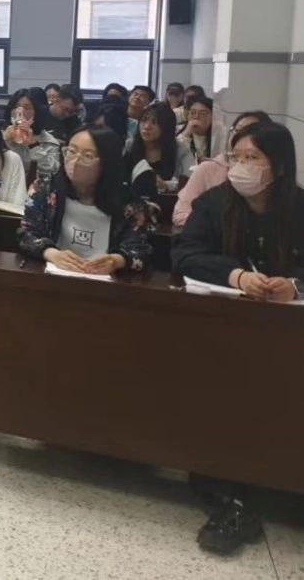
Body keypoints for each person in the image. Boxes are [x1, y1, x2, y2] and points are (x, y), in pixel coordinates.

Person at [172, 120, 303, 555]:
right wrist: (237, 276)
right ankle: (230, 499)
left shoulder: (299, 207)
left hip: (287, 339)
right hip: (224, 333)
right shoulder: (214, 204)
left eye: (253, 158)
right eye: (237, 157)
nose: (241, 166)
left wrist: (295, 286)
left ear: (278, 166)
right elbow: (184, 254)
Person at [18, 124, 152, 274]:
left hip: (105, 281)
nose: (75, 161)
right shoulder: (45, 190)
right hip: (53, 277)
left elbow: (140, 250)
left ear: (107, 162)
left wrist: (116, 261)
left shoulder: (130, 204)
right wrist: (52, 253)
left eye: (87, 156)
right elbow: (26, 235)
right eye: (71, 151)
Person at [174, 111, 269, 227]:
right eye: (238, 131)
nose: (242, 137)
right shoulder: (208, 169)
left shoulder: (269, 174)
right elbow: (180, 214)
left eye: (251, 132)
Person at [125, 102, 193, 196]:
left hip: (168, 200)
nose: (147, 127)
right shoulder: (129, 145)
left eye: (154, 123)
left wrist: (167, 185)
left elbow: (191, 181)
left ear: (166, 127)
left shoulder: (180, 149)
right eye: (144, 120)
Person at [177, 95, 223, 163]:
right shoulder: (178, 130)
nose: (196, 116)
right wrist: (187, 132)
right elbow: (175, 155)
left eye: (203, 113)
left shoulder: (220, 132)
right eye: (193, 113)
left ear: (212, 116)